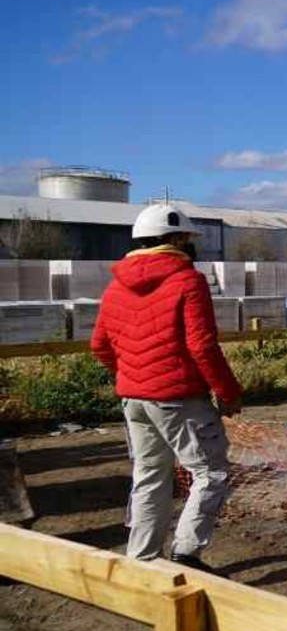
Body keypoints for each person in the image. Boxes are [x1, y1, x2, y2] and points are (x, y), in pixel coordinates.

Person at [91, 202, 242, 573]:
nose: (192, 246)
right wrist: (227, 392)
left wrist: (132, 374)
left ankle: (141, 560)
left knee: (149, 475)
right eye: (187, 238)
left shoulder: (115, 287)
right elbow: (202, 346)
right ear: (173, 238)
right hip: (179, 398)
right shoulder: (188, 280)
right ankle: (186, 553)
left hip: (134, 400)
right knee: (211, 472)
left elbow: (99, 345)